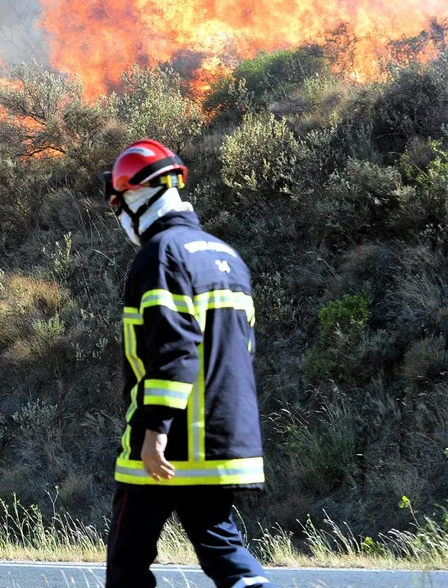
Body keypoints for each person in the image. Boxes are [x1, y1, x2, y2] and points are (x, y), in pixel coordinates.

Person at [102, 139, 277, 588]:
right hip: (224, 441)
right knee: (225, 553)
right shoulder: (226, 256)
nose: (121, 218)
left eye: (120, 205)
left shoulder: (160, 255)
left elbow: (175, 350)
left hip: (170, 447)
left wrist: (154, 432)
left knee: (127, 561)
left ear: (139, 197)